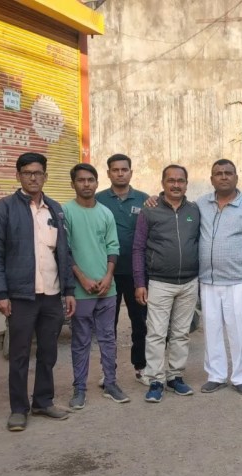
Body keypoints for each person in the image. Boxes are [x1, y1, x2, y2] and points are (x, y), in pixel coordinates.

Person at [0, 152, 76, 431]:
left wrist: (68, 290)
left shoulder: (55, 209)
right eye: (27, 173)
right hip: (21, 295)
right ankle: (18, 409)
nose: (33, 178)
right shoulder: (3, 209)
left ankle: (43, 401)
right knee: (20, 354)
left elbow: (64, 252)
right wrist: (0, 293)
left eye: (38, 173)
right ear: (18, 176)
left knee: (48, 351)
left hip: (52, 294)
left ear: (45, 176)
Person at [197, 159, 242, 396]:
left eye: (228, 173)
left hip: (239, 281)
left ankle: (240, 377)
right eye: (218, 173)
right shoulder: (200, 204)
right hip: (208, 280)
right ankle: (216, 375)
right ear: (212, 179)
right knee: (211, 330)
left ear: (236, 177)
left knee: (239, 331)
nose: (223, 176)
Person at [132, 164, 200, 403]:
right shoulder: (149, 210)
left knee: (181, 333)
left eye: (180, 181)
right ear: (163, 183)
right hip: (159, 282)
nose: (176, 185)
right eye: (171, 180)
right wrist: (140, 282)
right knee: (156, 334)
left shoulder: (194, 210)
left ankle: (175, 377)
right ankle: (156, 380)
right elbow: (138, 248)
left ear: (186, 184)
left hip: (189, 282)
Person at [63, 163, 128, 408]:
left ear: (97, 183)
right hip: (81, 291)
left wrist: (108, 276)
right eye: (81, 180)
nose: (86, 184)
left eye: (90, 180)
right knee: (81, 341)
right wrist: (81, 278)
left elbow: (113, 246)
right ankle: (79, 388)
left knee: (108, 338)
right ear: (73, 184)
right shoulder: (65, 212)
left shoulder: (105, 213)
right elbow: (64, 250)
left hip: (106, 288)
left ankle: (110, 383)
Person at [96, 154, 150, 383]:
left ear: (131, 172)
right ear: (108, 173)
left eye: (124, 169)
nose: (120, 173)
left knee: (140, 322)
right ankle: (108, 371)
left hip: (137, 273)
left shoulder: (145, 200)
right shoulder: (98, 200)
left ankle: (141, 367)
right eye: (115, 169)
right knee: (108, 325)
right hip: (107, 273)